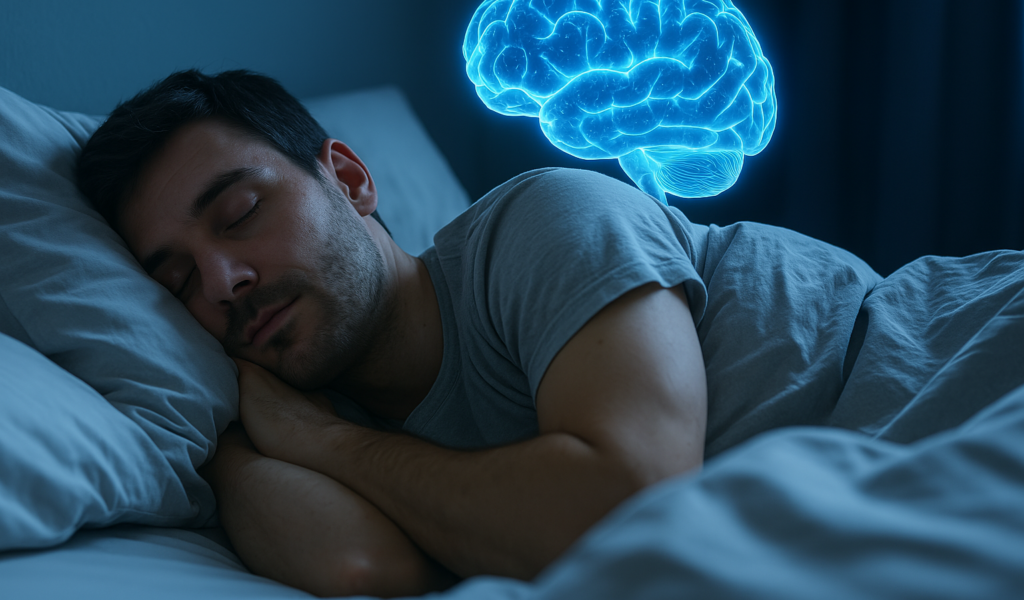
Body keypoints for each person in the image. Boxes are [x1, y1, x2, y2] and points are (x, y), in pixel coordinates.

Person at [77, 69, 878, 598]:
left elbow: (636, 502)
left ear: (350, 180)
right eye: (178, 282)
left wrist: (328, 445)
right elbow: (363, 569)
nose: (221, 282)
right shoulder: (298, 421)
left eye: (242, 212)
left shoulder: (544, 219)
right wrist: (220, 440)